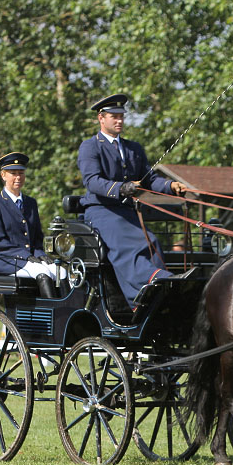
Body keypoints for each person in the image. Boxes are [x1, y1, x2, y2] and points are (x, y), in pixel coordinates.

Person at [76, 93, 187, 308]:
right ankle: (145, 288)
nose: (119, 121)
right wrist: (121, 188)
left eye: (121, 117)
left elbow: (149, 179)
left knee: (151, 241)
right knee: (125, 244)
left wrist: (170, 187)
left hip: (126, 212)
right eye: (114, 116)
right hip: (101, 211)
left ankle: (156, 295)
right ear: (101, 118)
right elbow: (92, 181)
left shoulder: (133, 148)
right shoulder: (90, 147)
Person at [0, 152, 62, 298]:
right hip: (5, 259)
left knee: (61, 272)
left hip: (30, 259)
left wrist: (41, 255)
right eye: (13, 173)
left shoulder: (31, 203)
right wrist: (26, 256)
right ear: (3, 175)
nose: (18, 177)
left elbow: (37, 237)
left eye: (21, 173)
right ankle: (54, 317)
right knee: (42, 273)